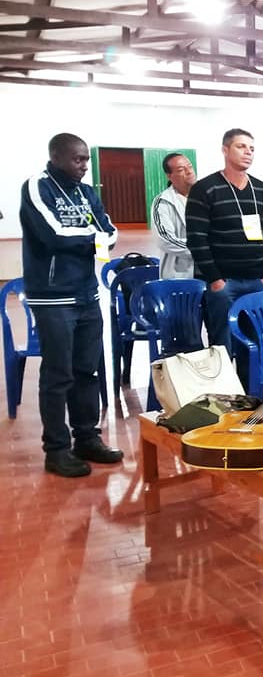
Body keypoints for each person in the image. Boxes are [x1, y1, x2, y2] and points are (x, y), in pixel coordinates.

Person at [20, 132, 120, 478]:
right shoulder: (37, 186)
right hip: (53, 297)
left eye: (86, 159)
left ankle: (87, 438)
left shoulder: (86, 192)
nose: (84, 166)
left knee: (86, 372)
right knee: (58, 374)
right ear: (57, 157)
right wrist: (93, 238)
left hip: (87, 294)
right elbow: (52, 234)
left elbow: (110, 232)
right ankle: (57, 449)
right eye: (78, 159)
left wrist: (93, 237)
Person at [186, 128, 263, 351]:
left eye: (252, 149)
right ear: (225, 150)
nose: (248, 152)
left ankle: (250, 377)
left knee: (254, 344)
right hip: (223, 283)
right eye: (241, 146)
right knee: (222, 345)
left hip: (258, 282)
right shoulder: (205, 189)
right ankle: (226, 377)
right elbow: (197, 239)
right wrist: (215, 280)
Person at [151, 152, 197, 278]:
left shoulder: (206, 195)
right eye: (181, 169)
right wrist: (201, 249)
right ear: (169, 176)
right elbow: (165, 239)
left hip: (211, 269)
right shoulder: (163, 202)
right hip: (181, 273)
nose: (189, 172)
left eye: (190, 167)